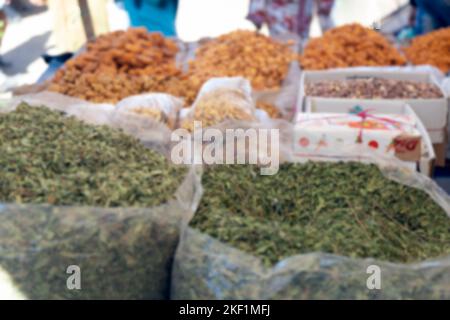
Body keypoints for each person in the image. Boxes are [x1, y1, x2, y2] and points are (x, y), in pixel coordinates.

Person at [247, 0, 335, 38]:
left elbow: (325, 9)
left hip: (302, 34)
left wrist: (330, 35)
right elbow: (256, 10)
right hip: (278, 33)